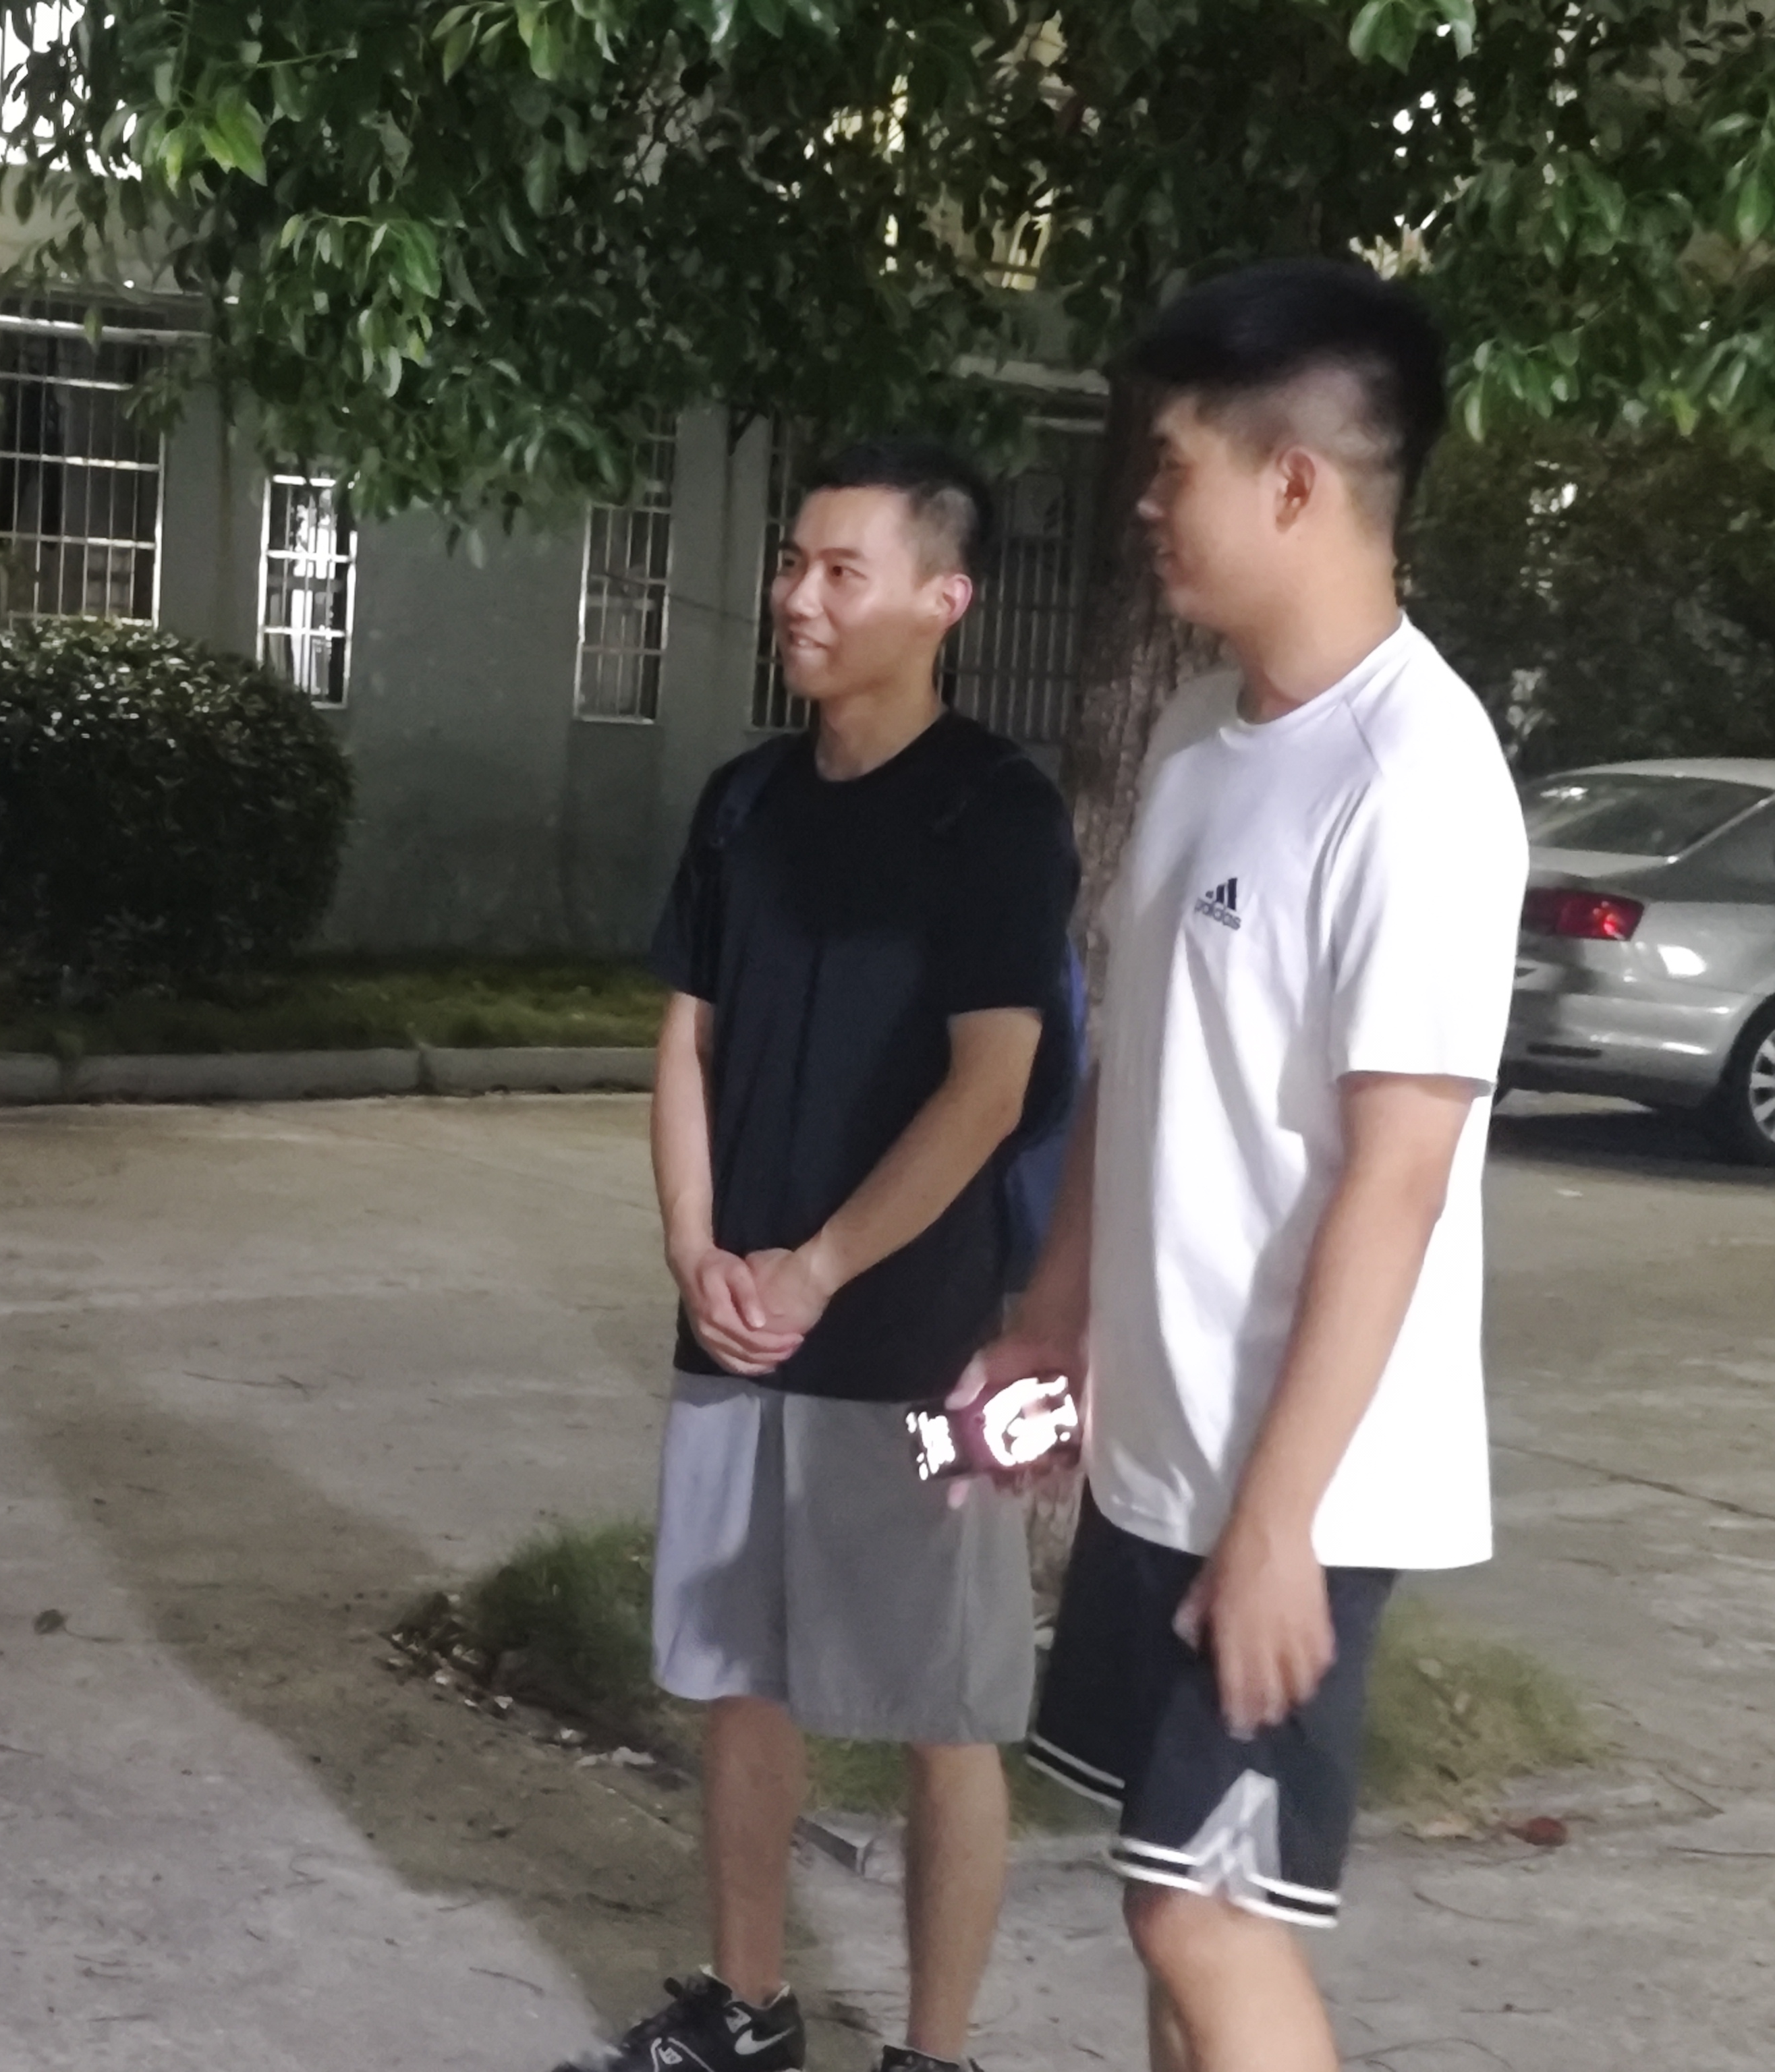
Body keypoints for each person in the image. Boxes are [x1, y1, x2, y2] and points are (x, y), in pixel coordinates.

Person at [983, 260, 1525, 2072]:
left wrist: (1281, 1522)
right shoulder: (1202, 736)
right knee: (1170, 1896)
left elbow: (1399, 1177)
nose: (1143, 504)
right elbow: (1141, 1070)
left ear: (1292, 481)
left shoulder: (1417, 778)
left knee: (1203, 1915)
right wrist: (1050, 1323)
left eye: (1170, 465)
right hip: (1166, 1452)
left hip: (1301, 1483)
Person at [568, 439, 1080, 2072]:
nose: (794, 596)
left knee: (947, 1708)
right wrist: (695, 1247)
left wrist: (819, 1268)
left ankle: (933, 2049)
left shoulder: (993, 813)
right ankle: (745, 2006)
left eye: (837, 570)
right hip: (734, 1329)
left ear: (942, 599)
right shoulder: (742, 804)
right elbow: (686, 1039)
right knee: (737, 1677)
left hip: (929, 1349)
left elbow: (988, 1084)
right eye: (792, 563)